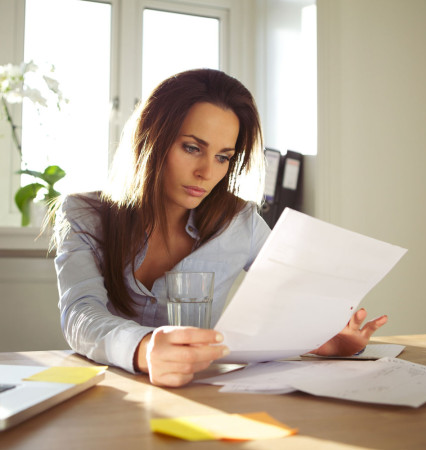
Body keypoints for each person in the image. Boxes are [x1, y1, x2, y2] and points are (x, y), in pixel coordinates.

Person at [53, 68, 387, 388]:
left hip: (202, 397)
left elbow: (292, 305)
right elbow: (80, 315)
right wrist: (144, 348)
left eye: (223, 157)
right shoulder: (83, 215)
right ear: (151, 139)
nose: (207, 172)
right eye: (192, 148)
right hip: (108, 395)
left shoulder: (241, 223)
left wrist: (323, 339)